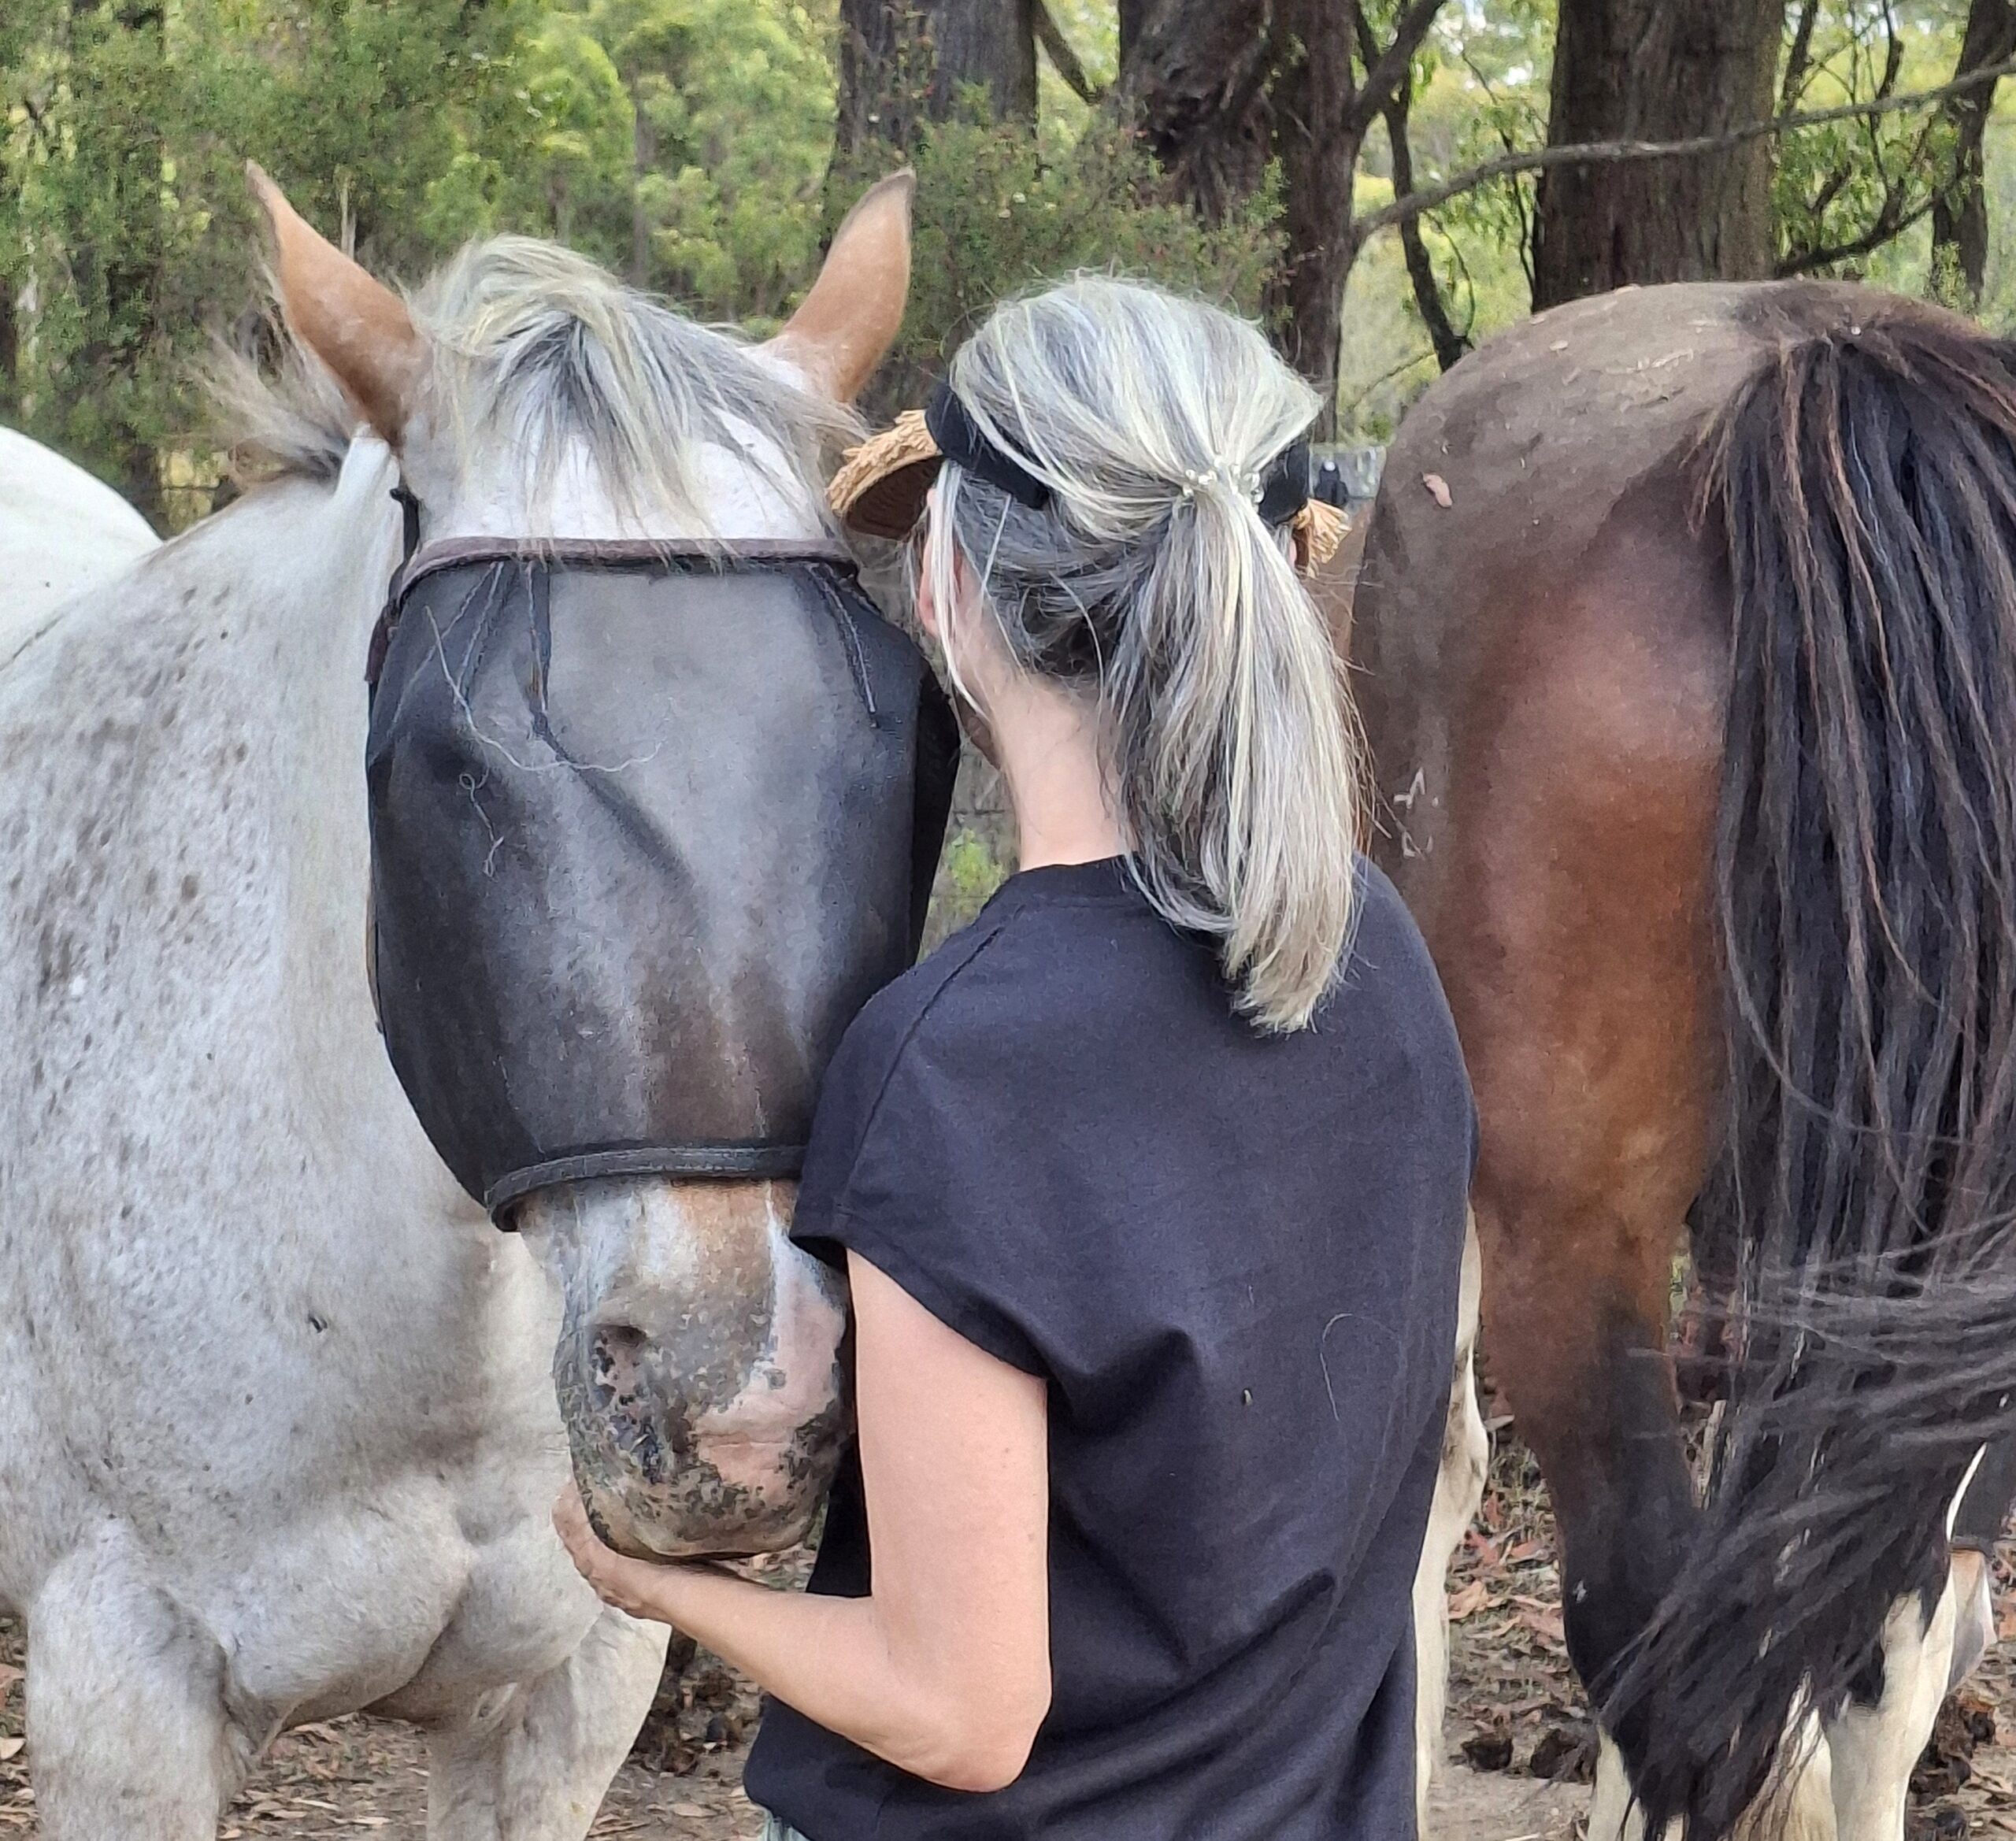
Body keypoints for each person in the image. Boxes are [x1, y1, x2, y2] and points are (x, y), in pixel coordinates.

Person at [554, 275, 1475, 1841]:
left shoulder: (955, 1065)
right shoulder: (1372, 955)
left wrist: (637, 1575)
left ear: (950, 590)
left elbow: (960, 1711)